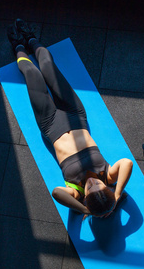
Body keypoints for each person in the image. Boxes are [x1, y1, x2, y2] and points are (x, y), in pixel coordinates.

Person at [7, 19, 133, 218]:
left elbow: (56, 192)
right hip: (75, 115)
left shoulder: (76, 191)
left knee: (32, 74)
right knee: (48, 66)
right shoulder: (108, 176)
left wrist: (85, 209)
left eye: (91, 189)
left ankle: (18, 47)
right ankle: (32, 39)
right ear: (107, 188)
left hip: (49, 124)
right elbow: (127, 162)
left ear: (86, 198)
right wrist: (116, 195)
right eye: (98, 185)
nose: (92, 183)